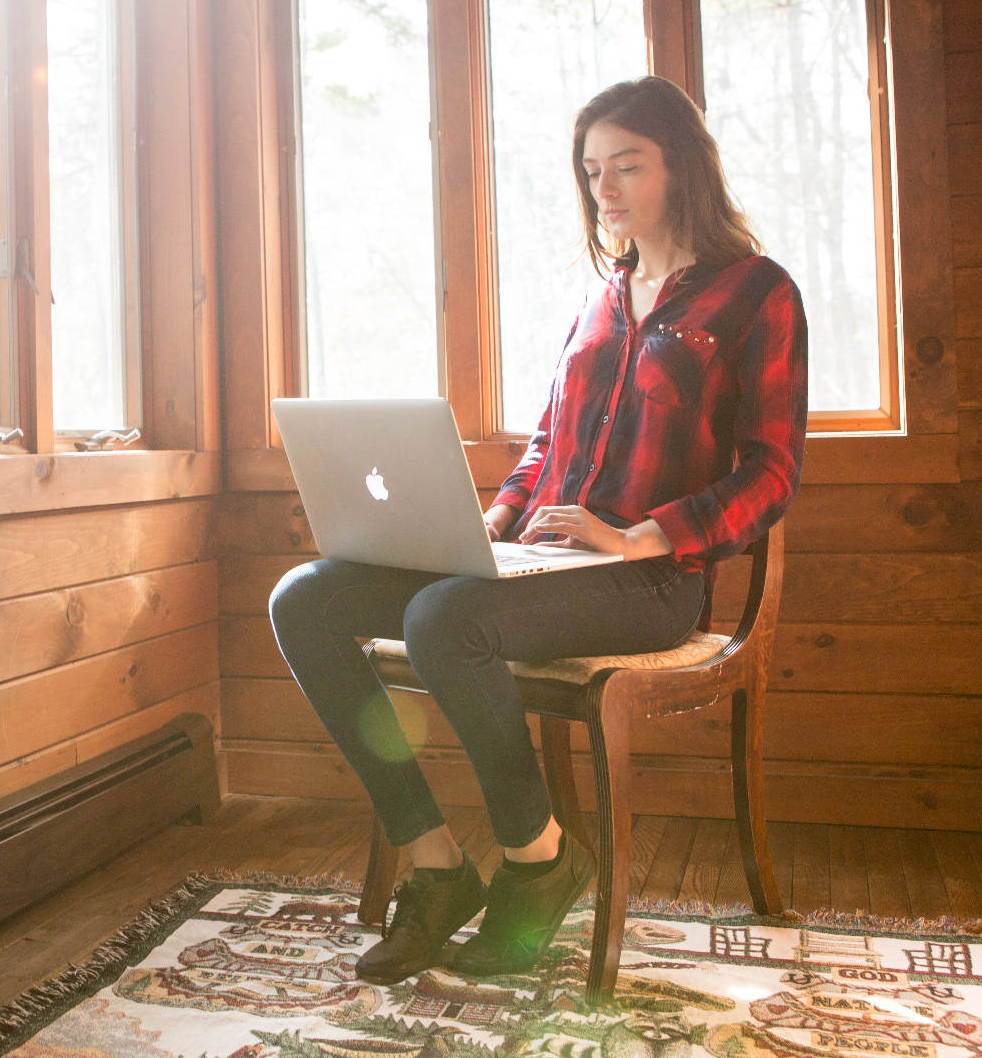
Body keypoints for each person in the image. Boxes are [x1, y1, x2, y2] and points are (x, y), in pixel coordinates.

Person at [266, 75, 808, 984]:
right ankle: (436, 866)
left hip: (651, 585)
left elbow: (773, 472)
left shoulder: (757, 293)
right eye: (593, 170)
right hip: (535, 567)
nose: (606, 188)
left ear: (684, 166)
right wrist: (489, 521)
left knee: (447, 619)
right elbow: (547, 447)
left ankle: (538, 858)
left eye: (626, 165)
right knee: (307, 598)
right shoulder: (601, 298)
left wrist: (643, 535)